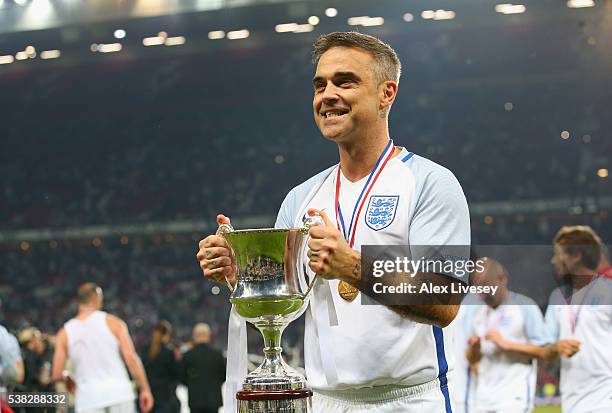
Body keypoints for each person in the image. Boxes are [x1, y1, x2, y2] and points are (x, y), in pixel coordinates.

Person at [197, 31, 470, 412]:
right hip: (324, 402)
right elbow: (283, 303)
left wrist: (354, 267)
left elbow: (444, 303)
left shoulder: (429, 183)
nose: (327, 95)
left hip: (408, 401)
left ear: (386, 94)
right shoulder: (300, 198)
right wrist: (236, 274)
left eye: (345, 82)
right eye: (319, 85)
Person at [51, 283, 154, 413]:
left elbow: (56, 374)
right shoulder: (114, 323)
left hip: (88, 399)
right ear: (96, 297)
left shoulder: (64, 333)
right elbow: (131, 358)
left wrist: (67, 377)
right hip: (119, 394)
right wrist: (145, 389)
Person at [543, 226, 612, 413]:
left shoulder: (608, 291)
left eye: (558, 254)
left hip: (605, 400)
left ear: (576, 256)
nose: (554, 260)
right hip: (571, 402)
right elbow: (544, 346)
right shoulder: (556, 297)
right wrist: (556, 347)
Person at [465, 258, 547, 413]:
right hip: (482, 400)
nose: (482, 292)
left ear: (502, 279)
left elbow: (544, 351)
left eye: (486, 285)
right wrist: (473, 349)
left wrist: (506, 344)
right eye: (478, 287)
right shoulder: (478, 313)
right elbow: (472, 360)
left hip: (513, 398)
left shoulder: (525, 307)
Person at [180, 323, 225, 413]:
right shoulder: (217, 354)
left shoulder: (188, 355)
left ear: (194, 336)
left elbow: (182, 377)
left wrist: (192, 384)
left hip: (195, 401)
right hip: (214, 401)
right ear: (209, 336)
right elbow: (223, 375)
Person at [142, 321, 180, 413]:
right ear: (166, 335)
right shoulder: (169, 353)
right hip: (165, 398)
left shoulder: (144, 351)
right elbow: (176, 375)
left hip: (148, 397)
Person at [18, 327, 54, 394]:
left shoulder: (50, 351)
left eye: (29, 342)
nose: (29, 346)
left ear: (34, 339)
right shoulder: (28, 355)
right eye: (26, 344)